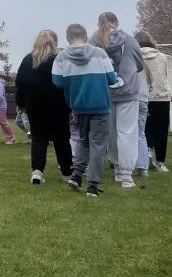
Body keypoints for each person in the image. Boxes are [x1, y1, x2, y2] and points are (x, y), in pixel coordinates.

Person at [53, 23, 118, 197]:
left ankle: (76, 174)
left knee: (83, 140)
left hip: (78, 105)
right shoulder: (100, 53)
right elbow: (112, 79)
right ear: (85, 35)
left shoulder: (60, 58)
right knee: (97, 145)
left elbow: (58, 82)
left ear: (68, 37)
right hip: (100, 105)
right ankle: (93, 185)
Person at [90, 12, 145, 188]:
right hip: (128, 91)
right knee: (127, 132)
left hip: (104, 92)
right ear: (117, 22)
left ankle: (117, 168)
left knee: (112, 132)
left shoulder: (93, 41)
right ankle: (126, 174)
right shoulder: (130, 40)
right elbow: (139, 65)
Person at [14, 29, 73, 185]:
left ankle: (37, 172)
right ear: (54, 43)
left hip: (34, 106)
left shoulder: (27, 60)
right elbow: (67, 83)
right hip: (58, 105)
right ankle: (67, 172)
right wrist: (71, 106)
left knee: (38, 138)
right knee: (62, 138)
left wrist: (20, 103)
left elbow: (19, 83)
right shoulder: (59, 59)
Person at [137, 31, 170, 173]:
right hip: (162, 97)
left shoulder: (135, 56)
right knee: (162, 131)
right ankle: (161, 163)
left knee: (144, 129)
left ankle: (147, 153)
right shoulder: (162, 57)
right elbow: (165, 76)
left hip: (144, 96)